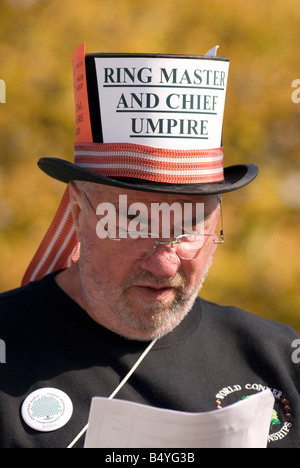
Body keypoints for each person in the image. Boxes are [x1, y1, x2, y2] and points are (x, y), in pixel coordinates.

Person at [0, 44, 299, 449]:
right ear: (77, 212)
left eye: (190, 227)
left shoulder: (279, 358)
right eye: (133, 223)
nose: (163, 263)